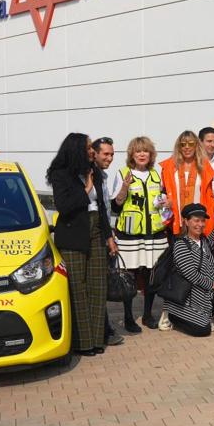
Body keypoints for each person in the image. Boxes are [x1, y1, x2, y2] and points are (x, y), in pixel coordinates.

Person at [47, 133, 110, 356]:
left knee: (97, 286)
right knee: (78, 288)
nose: (92, 150)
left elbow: (102, 207)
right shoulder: (60, 174)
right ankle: (83, 343)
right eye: (87, 147)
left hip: (96, 231)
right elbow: (64, 207)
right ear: (75, 149)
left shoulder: (93, 171)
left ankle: (96, 340)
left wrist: (109, 237)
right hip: (73, 233)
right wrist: (86, 189)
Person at [110, 136, 169, 331]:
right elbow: (116, 206)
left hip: (154, 234)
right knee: (129, 277)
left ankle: (147, 314)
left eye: (145, 151)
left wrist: (165, 202)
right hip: (130, 236)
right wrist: (125, 187)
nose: (142, 154)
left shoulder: (156, 174)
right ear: (132, 155)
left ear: (151, 154)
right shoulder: (122, 173)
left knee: (151, 275)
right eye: (138, 151)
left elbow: (163, 202)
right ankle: (128, 317)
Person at [163, 204, 214, 337]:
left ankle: (203, 315)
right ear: (186, 221)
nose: (200, 224)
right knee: (203, 331)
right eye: (196, 220)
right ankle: (174, 317)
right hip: (185, 298)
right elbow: (191, 274)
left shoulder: (204, 241)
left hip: (202, 294)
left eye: (202, 221)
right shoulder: (181, 245)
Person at [89, 137, 126, 345]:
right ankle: (103, 331)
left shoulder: (103, 175)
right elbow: (98, 211)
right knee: (98, 287)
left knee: (102, 286)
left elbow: (109, 207)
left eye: (112, 154)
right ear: (94, 153)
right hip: (97, 238)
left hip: (105, 235)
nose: (110, 158)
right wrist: (108, 237)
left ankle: (104, 329)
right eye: (106, 154)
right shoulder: (91, 175)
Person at [159, 131, 214, 237]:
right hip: (176, 223)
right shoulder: (168, 167)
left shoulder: (204, 167)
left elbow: (210, 196)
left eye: (191, 144)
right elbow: (163, 193)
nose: (187, 147)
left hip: (199, 224)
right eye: (183, 144)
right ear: (179, 147)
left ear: (196, 146)